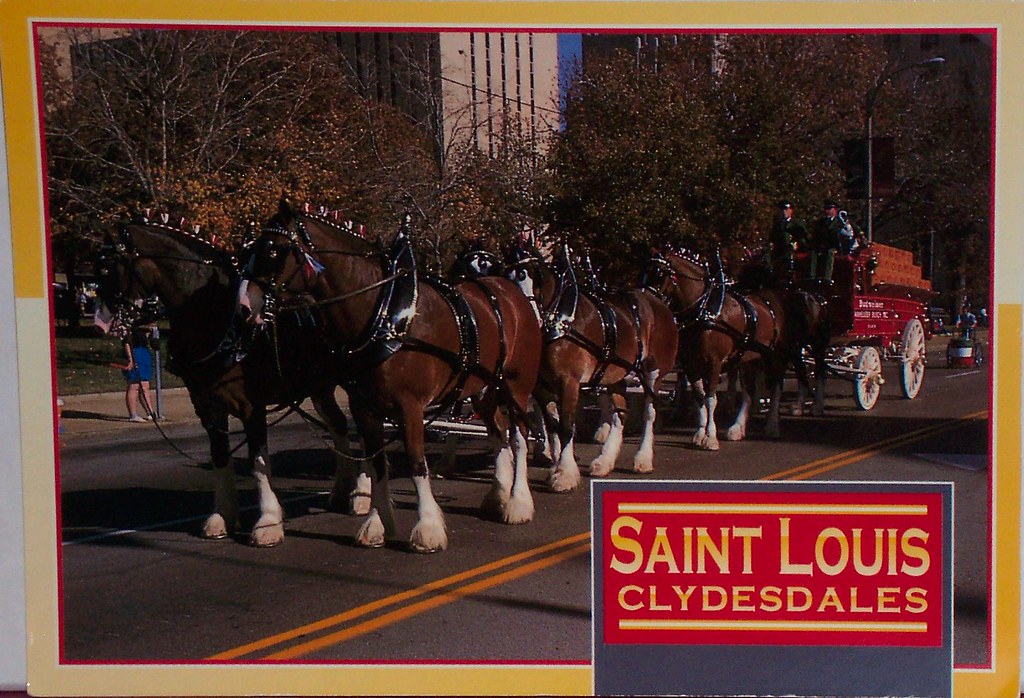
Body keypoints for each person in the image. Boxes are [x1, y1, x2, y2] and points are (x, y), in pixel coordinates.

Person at [118, 326, 154, 422]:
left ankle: (150, 412)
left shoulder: (146, 325)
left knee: (145, 385)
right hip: (134, 353)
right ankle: (133, 414)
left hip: (144, 352)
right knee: (134, 385)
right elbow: (126, 341)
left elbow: (148, 339)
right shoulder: (131, 325)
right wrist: (130, 358)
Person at [768, 200, 807, 278]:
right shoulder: (778, 224)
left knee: (789, 255)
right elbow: (772, 238)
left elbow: (803, 236)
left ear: (791, 210)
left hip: (792, 249)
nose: (784, 212)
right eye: (782, 209)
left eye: (786, 209)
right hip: (779, 250)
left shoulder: (797, 223)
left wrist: (797, 243)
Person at [810, 199, 844, 282]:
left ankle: (827, 277)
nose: (827, 211)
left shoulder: (840, 222)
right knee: (813, 252)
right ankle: (812, 276)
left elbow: (841, 237)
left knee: (830, 252)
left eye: (829, 208)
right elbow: (817, 235)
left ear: (835, 209)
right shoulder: (821, 222)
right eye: (825, 208)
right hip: (823, 246)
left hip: (835, 247)